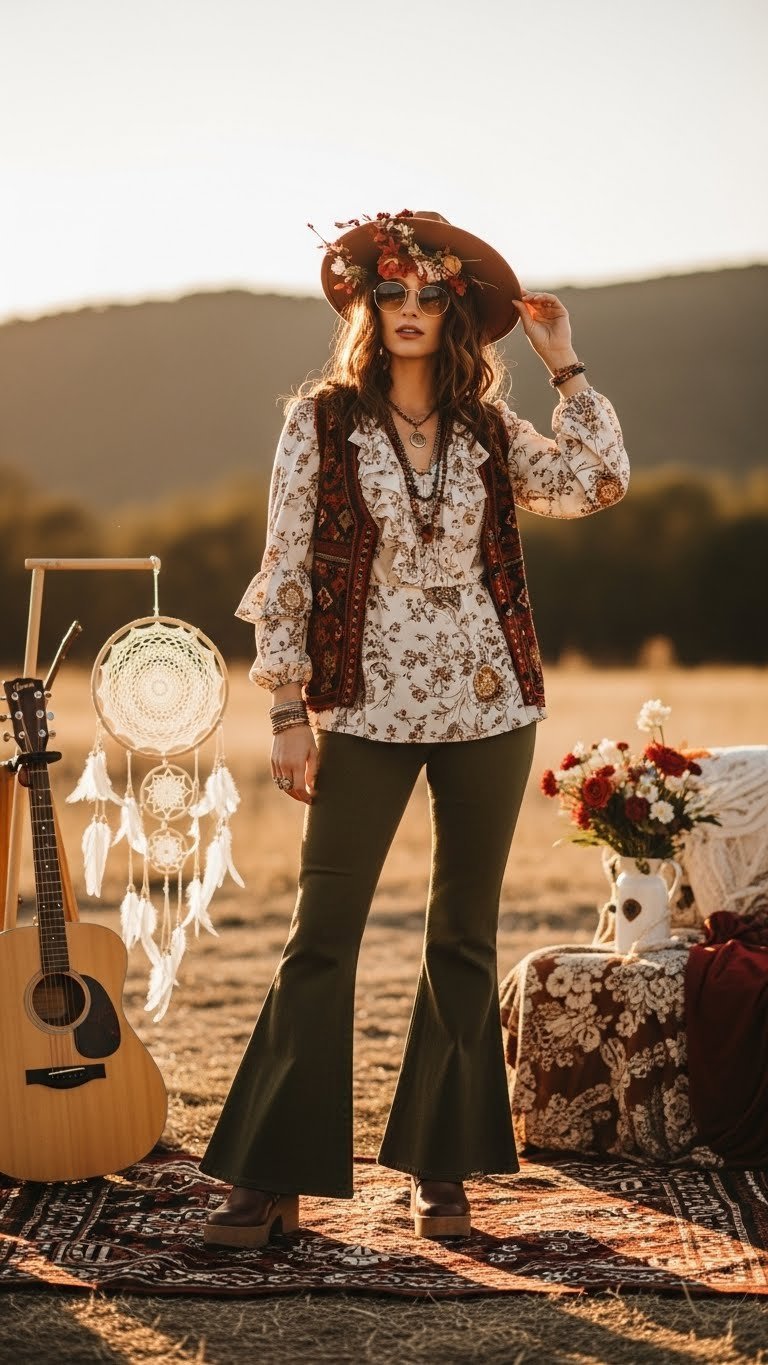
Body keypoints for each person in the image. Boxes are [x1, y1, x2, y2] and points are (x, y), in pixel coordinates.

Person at [200, 210, 630, 1247]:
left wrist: (565, 365)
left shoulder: (488, 430)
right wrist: (288, 708)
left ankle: (442, 1172)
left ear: (456, 312)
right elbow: (288, 561)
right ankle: (271, 1172)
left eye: (428, 296)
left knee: (462, 939)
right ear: (364, 304)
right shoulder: (321, 420)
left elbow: (598, 484)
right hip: (363, 705)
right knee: (322, 936)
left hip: (491, 704)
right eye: (389, 294)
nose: (407, 311)